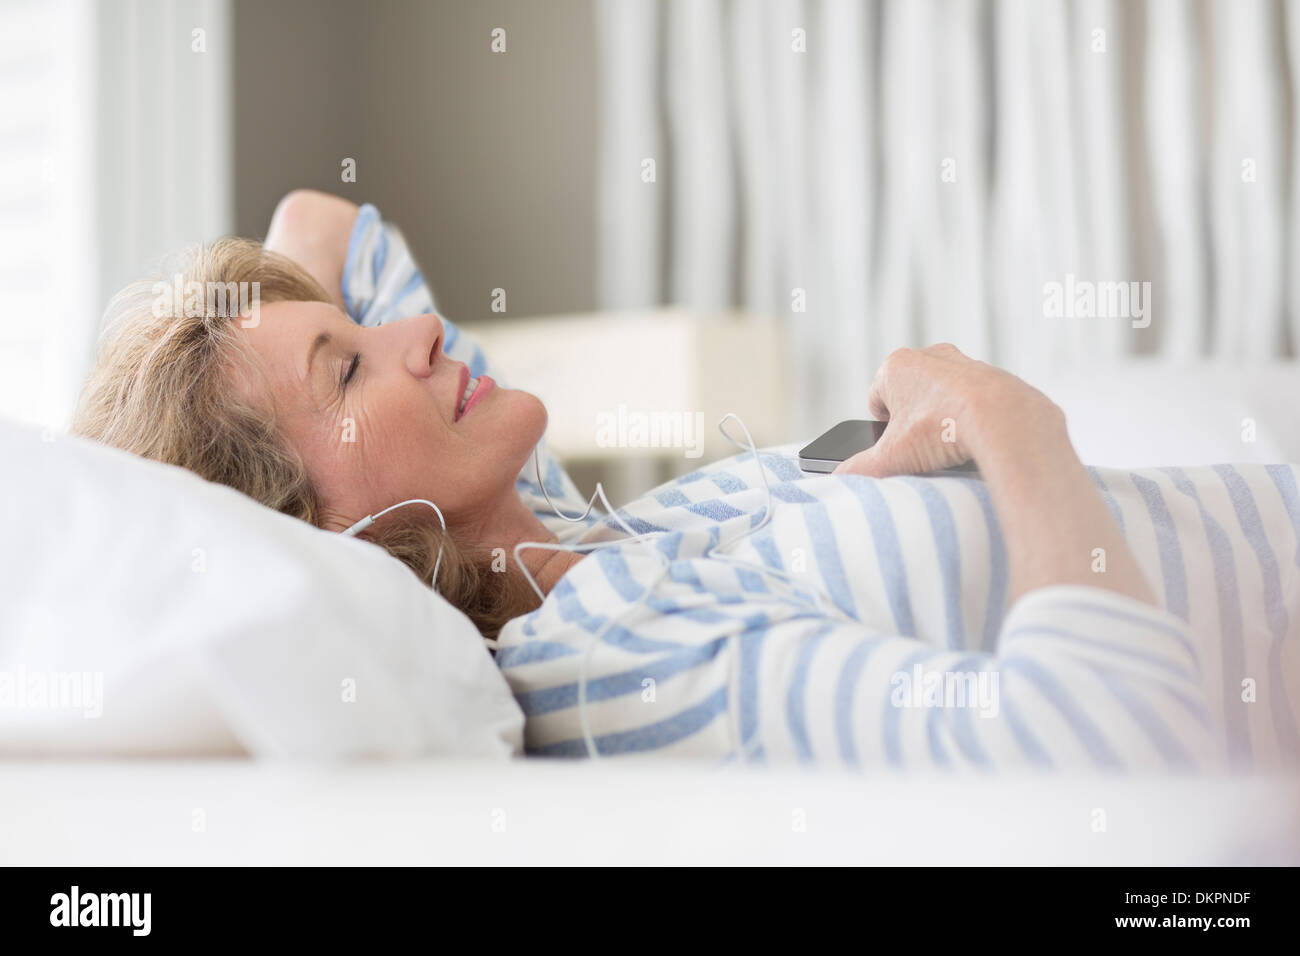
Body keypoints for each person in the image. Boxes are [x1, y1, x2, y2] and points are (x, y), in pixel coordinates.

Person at [73, 191, 1300, 770]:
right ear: (335, 531)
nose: (416, 337)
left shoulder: (567, 530)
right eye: (351, 368)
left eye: (355, 331)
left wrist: (264, 363)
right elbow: (1110, 756)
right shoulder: (610, 650)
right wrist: (1007, 420)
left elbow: (323, 224)